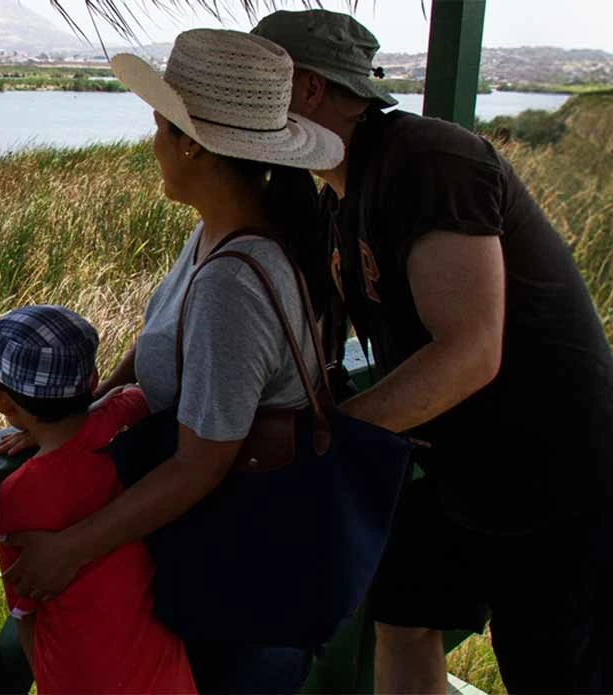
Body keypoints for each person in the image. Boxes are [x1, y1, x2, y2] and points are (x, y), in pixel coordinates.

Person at [251, 10, 613, 694]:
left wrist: (327, 433)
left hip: (559, 476)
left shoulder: (429, 160)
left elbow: (470, 351)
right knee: (404, 611)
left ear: (305, 89)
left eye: (255, 86)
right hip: (463, 472)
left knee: (550, 663)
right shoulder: (336, 194)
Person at [0, 29, 344, 694]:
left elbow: (202, 462)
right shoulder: (221, 235)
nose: (152, 142)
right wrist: (74, 417)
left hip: (241, 594)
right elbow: (158, 340)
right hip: (232, 571)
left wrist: (73, 546)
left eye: (160, 125)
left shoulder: (233, 285)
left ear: (191, 144)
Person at [0, 304, 195, 694]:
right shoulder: (131, 411)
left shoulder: (19, 494)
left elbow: (24, 608)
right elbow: (120, 400)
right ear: (93, 379)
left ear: (2, 402)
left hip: (80, 677)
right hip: (162, 668)